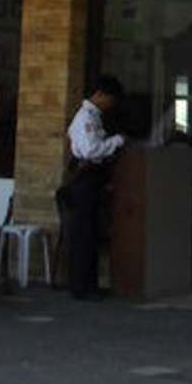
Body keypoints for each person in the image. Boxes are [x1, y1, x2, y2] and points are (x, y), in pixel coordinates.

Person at [62, 76, 125, 301]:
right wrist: (116, 141)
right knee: (83, 235)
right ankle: (81, 287)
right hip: (84, 180)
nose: (111, 104)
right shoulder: (85, 117)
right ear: (99, 94)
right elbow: (91, 150)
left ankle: (89, 285)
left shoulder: (95, 116)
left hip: (92, 179)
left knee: (90, 233)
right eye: (110, 99)